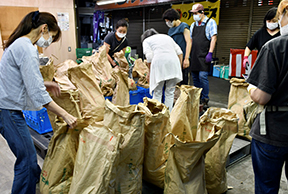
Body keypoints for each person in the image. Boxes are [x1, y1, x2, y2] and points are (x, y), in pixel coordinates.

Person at [0, 11, 77, 194]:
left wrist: (45, 82)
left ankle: (35, 186)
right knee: (26, 160)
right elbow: (37, 95)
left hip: (8, 109)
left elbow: (22, 80)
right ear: (44, 29)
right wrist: (66, 115)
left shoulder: (20, 44)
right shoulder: (26, 48)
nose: (49, 42)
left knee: (28, 157)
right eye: (51, 36)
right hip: (8, 111)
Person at [246, 1, 288, 193]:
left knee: (266, 187)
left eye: (279, 17)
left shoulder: (276, 46)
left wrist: (250, 90)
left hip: (274, 131)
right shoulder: (264, 39)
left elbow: (262, 97)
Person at [141, 28, 183, 112]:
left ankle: (157, 116)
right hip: (173, 63)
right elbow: (180, 52)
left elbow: (149, 57)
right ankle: (168, 116)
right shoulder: (167, 37)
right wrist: (179, 67)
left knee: (157, 92)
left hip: (159, 64)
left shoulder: (147, 41)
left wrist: (150, 72)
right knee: (170, 93)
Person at [189, 3, 217, 110]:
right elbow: (191, 41)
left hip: (204, 55)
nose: (194, 15)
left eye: (196, 13)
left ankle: (205, 98)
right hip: (195, 55)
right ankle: (198, 97)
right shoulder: (193, 25)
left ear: (202, 13)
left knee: (203, 77)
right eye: (193, 13)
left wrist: (210, 53)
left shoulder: (210, 22)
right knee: (195, 77)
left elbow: (213, 38)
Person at [162, 8, 192, 85]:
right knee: (173, 81)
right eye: (166, 21)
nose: (167, 23)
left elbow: (189, 42)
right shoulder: (170, 30)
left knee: (183, 81)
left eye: (168, 21)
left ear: (174, 19)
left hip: (183, 58)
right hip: (174, 59)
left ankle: (184, 97)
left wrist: (186, 58)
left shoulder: (184, 26)